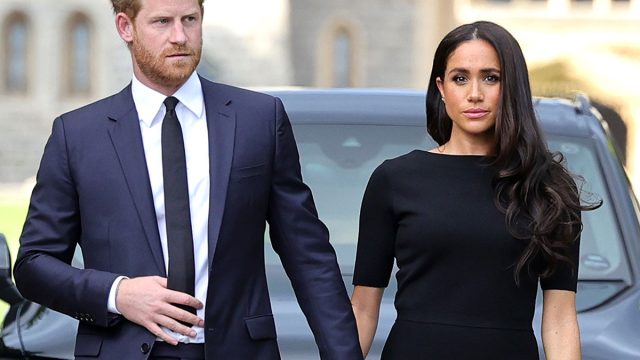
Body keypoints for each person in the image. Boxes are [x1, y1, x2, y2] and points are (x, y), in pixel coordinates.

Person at [13, 0, 362, 359]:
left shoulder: (258, 119)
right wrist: (118, 294)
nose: (180, 36)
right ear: (125, 27)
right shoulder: (77, 135)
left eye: (189, 20)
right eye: (162, 22)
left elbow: (308, 255)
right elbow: (33, 264)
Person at [350, 21, 599, 360]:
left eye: (491, 78)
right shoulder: (395, 179)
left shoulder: (548, 186)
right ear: (441, 87)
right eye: (460, 78)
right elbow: (364, 307)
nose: (475, 94)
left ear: (511, 87)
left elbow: (559, 316)